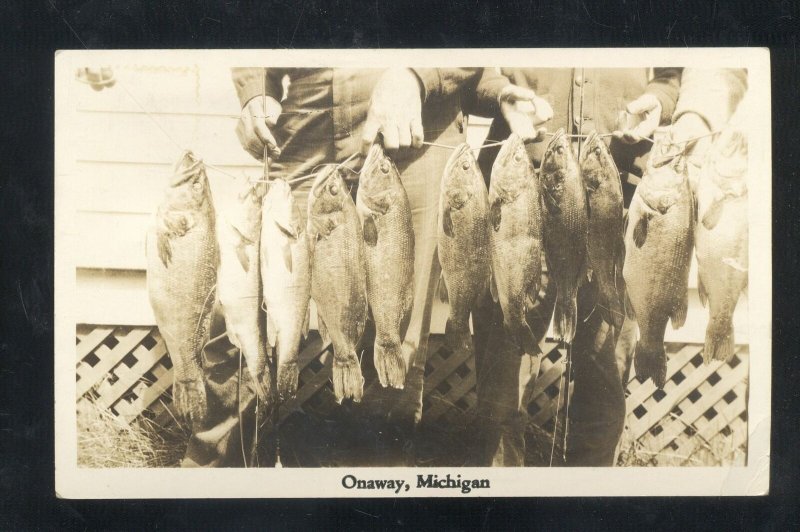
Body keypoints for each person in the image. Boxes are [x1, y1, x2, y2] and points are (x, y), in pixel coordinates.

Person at [180, 67, 539, 467]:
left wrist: (416, 76)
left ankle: (373, 493)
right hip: (305, 135)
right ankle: (210, 485)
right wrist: (255, 90)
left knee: (393, 342)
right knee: (243, 317)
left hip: (412, 141)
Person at [472, 68, 683, 466]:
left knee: (604, 377)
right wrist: (502, 93)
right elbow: (476, 69)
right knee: (502, 380)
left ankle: (589, 501)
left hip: (616, 203)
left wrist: (661, 99)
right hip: (519, 199)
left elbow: (673, 76)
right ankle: (497, 500)